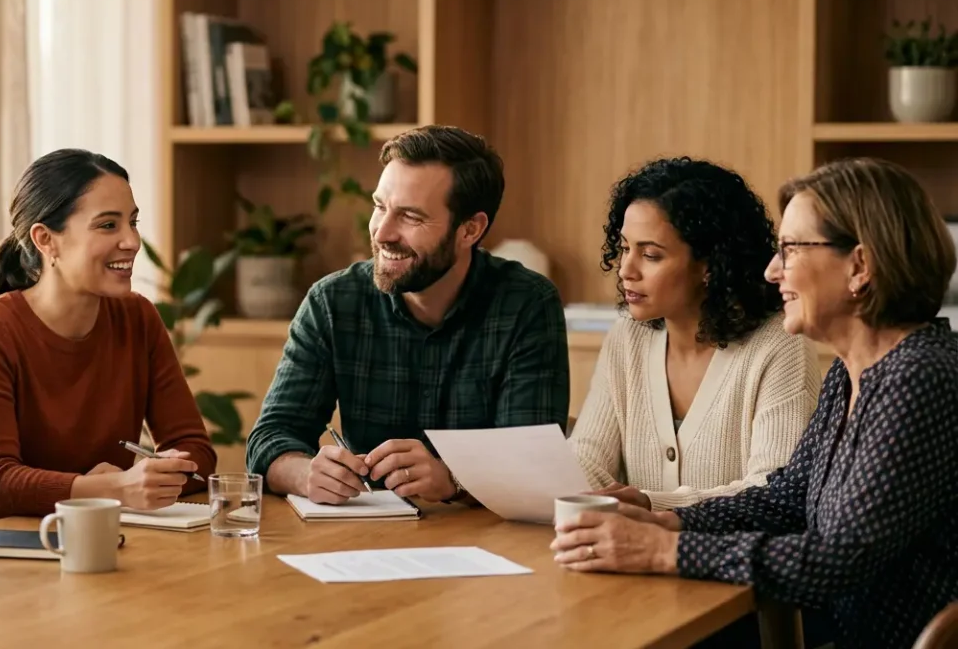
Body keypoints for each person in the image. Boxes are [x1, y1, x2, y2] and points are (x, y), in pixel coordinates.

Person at [550, 158, 958, 649]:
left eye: (789, 250)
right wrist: (666, 519)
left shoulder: (919, 377)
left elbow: (835, 559)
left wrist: (668, 551)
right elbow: (785, 498)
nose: (771, 270)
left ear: (860, 266)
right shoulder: (854, 374)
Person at [244, 124, 570, 506]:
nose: (382, 233)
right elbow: (270, 437)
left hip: (486, 544)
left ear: (470, 229)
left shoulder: (526, 304)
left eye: (411, 217)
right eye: (380, 206)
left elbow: (533, 461)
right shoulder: (333, 301)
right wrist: (305, 473)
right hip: (362, 540)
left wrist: (453, 478)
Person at [0, 148, 217, 532]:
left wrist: (151, 476)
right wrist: (108, 488)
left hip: (92, 535)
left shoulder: (138, 317)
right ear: (46, 240)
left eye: (132, 223)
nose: (132, 241)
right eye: (107, 226)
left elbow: (197, 453)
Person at [569, 157, 821, 510]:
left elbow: (771, 489)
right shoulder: (627, 337)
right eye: (625, 248)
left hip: (723, 562)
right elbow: (589, 457)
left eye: (651, 255)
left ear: (709, 266)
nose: (626, 270)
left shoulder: (779, 345)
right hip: (626, 554)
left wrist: (650, 504)